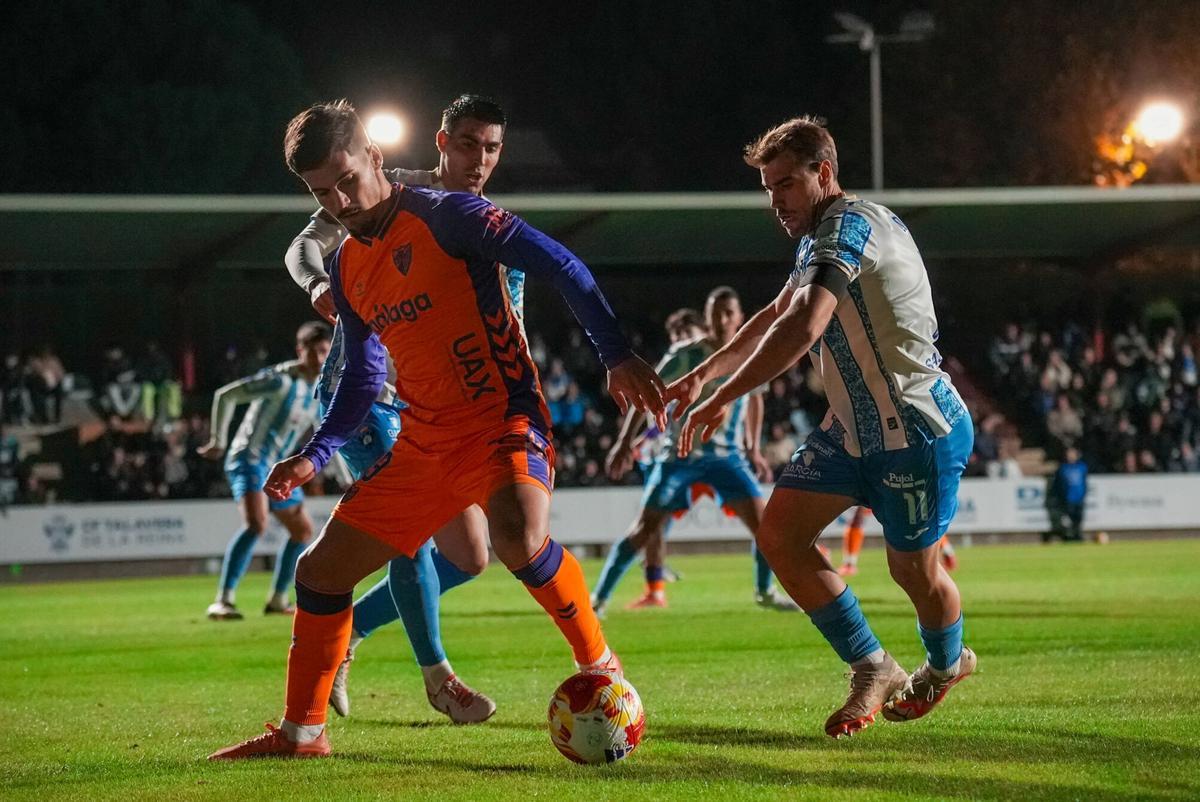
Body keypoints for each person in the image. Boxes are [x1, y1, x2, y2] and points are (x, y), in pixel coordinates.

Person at [209, 100, 666, 760]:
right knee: (320, 571)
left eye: (346, 179)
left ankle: (600, 663)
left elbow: (560, 263)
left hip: (502, 420)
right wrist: (316, 453)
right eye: (320, 192)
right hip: (424, 442)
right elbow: (365, 377)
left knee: (514, 536)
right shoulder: (347, 268)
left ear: (375, 157)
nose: (340, 200)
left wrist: (615, 353)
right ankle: (302, 732)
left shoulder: (450, 215)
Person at [666, 116, 976, 739]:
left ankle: (947, 665)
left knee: (914, 574)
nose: (775, 201)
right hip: (848, 433)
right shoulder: (817, 239)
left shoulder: (851, 228)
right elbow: (774, 314)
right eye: (767, 187)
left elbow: (803, 327)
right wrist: (702, 375)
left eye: (784, 183)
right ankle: (872, 665)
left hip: (915, 432)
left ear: (824, 173)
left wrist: (724, 395)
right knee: (779, 536)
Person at [284, 94, 514, 724]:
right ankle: (440, 680)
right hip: (361, 398)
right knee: (405, 532)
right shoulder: (383, 194)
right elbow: (301, 247)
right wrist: (321, 285)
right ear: (441, 143)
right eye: (467, 144)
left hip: (426, 409)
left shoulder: (478, 223)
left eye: (490, 147)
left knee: (468, 557)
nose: (479, 159)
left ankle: (345, 628)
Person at [594, 288, 798, 615]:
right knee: (645, 529)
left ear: (739, 317)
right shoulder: (685, 354)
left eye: (727, 312)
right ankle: (599, 600)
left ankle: (764, 592)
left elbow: (755, 397)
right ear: (707, 317)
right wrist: (623, 442)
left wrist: (752, 447)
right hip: (679, 457)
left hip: (726, 458)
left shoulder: (749, 352)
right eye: (714, 312)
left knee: (767, 528)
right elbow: (650, 393)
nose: (721, 319)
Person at [199, 322, 330, 619]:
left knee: (302, 530)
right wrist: (217, 440)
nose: (321, 358)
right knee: (256, 524)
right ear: (301, 351)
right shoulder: (280, 381)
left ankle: (277, 599)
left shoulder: (317, 391)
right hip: (249, 458)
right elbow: (225, 394)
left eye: (325, 351)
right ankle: (223, 600)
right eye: (314, 351)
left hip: (276, 468)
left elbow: (323, 432)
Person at [1045, 446, 1088, 542]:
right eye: (1069, 454)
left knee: (1078, 520)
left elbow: (1084, 483)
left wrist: (1083, 495)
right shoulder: (1062, 468)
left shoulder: (1082, 467)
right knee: (1067, 520)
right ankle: (1068, 536)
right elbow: (1059, 485)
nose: (1070, 456)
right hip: (1067, 500)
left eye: (1072, 454)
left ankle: (1077, 536)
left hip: (1079, 499)